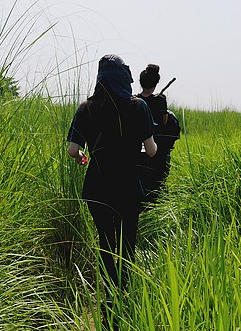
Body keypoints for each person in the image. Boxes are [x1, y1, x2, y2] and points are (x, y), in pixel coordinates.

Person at [66, 54, 157, 292]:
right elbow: (151, 151)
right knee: (127, 241)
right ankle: (123, 289)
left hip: (97, 184)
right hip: (128, 183)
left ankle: (108, 289)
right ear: (124, 77)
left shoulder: (86, 107)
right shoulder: (139, 106)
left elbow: (72, 150)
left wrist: (82, 158)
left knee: (105, 239)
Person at [136, 64, 173, 207]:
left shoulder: (134, 100)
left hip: (136, 147)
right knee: (157, 179)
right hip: (156, 147)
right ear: (156, 83)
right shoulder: (160, 100)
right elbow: (164, 122)